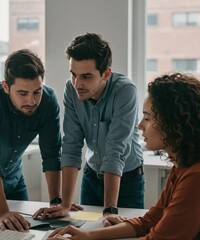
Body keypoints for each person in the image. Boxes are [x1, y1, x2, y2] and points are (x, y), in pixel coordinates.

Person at [47, 72, 200, 240]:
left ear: (173, 124)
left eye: (147, 118)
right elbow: (148, 222)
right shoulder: (183, 167)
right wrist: (86, 236)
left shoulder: (199, 177)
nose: (139, 125)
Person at [34, 33, 144, 226]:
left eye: (86, 76)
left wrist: (110, 210)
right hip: (91, 178)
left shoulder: (125, 91)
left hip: (127, 181)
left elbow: (115, 150)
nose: (77, 83)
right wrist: (65, 204)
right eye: (73, 74)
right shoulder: (72, 89)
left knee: (121, 234)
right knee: (86, 232)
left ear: (106, 73)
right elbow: (71, 144)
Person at [0, 49, 62, 231]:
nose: (31, 101)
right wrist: (2, 213)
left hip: (15, 182)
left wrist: (55, 203)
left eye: (36, 92)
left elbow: (52, 154)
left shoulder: (47, 100)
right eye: (22, 93)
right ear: (6, 87)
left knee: (25, 233)